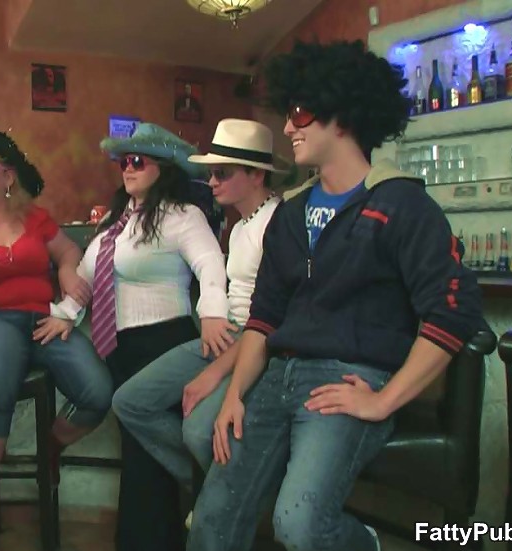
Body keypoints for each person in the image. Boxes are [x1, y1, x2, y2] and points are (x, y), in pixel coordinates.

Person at [187, 40, 485, 551]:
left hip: (348, 379)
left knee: (299, 525)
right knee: (210, 523)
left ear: (342, 114)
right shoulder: (290, 213)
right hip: (276, 378)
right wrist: (234, 394)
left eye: (300, 113)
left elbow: (453, 311)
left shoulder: (400, 203)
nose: (288, 128)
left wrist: (383, 400)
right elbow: (264, 317)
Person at [56, 123, 230, 551]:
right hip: (122, 348)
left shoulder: (182, 216)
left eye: (137, 161)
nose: (127, 169)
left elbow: (210, 264)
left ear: (164, 168)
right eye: (123, 162)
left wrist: (212, 312)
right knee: (137, 452)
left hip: (163, 341)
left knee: (146, 457)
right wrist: (65, 314)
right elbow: (87, 275)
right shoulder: (115, 221)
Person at [0, 128, 113, 549]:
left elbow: (68, 252)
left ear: (8, 176)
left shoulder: (35, 218)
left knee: (98, 390)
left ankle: (49, 447)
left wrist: (67, 274)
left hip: (42, 320)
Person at [111, 118, 289, 498]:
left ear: (256, 175)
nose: (211, 182)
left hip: (258, 342)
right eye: (211, 173)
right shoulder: (240, 226)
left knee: (196, 429)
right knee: (129, 401)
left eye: (221, 173)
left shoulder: (277, 223)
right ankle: (216, 492)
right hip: (229, 335)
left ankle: (228, 499)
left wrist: (214, 369)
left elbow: (269, 319)